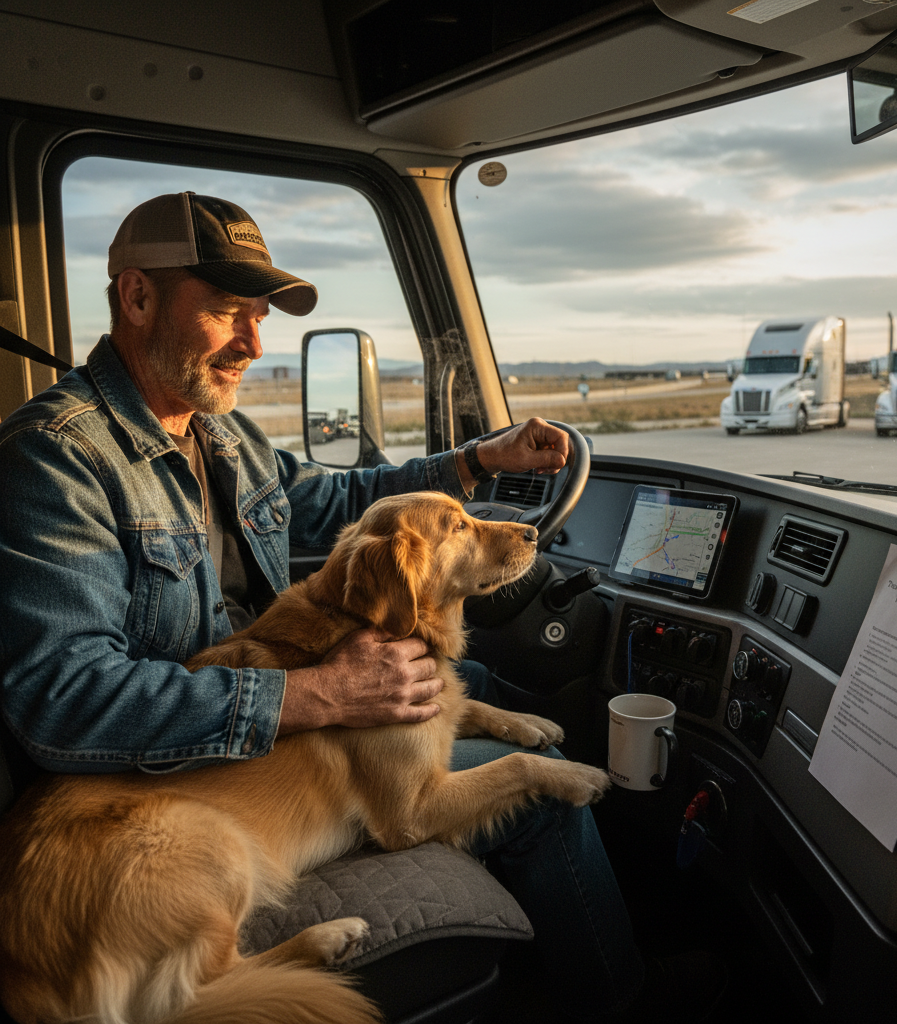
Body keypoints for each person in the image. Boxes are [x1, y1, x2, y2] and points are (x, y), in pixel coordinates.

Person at [0, 193, 644, 1018]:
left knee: (473, 673)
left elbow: (337, 500)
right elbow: (63, 704)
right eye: (230, 311)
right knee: (550, 806)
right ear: (137, 298)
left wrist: (478, 460)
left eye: (260, 317)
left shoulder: (220, 433)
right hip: (171, 785)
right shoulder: (57, 459)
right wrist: (316, 694)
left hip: (255, 741)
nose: (253, 343)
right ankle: (626, 1001)